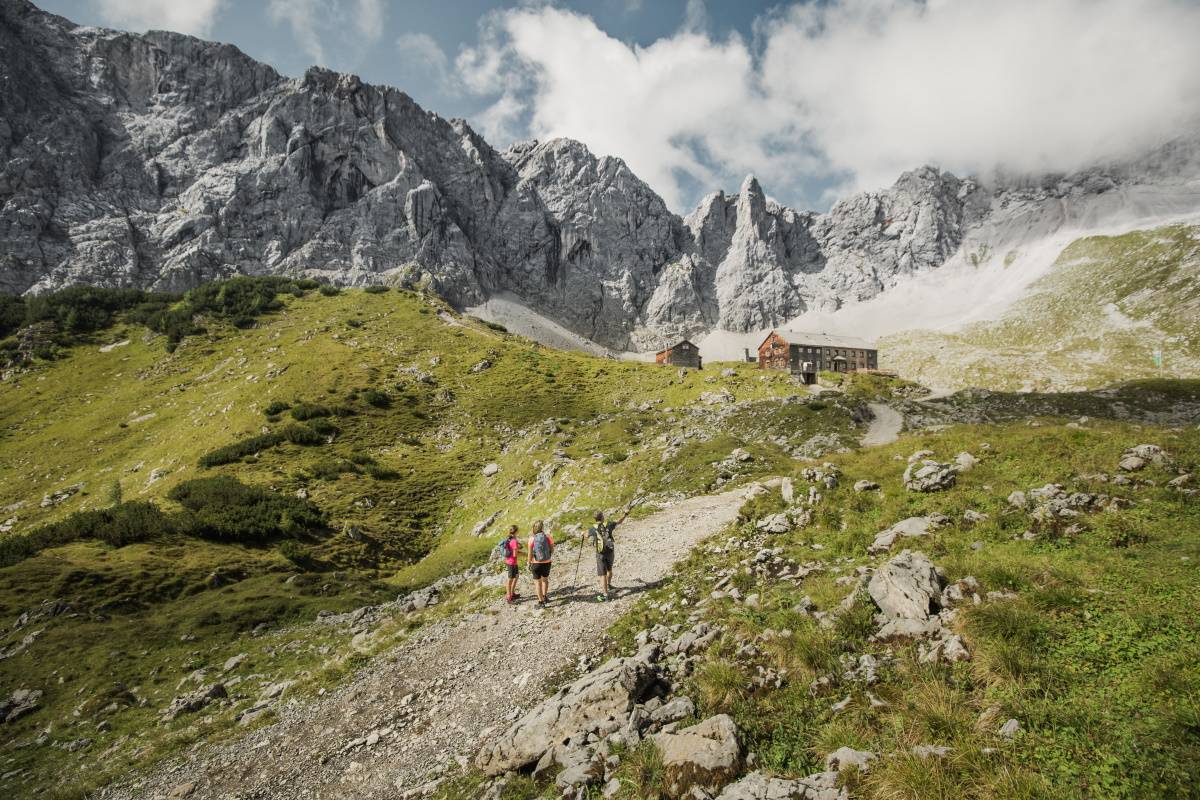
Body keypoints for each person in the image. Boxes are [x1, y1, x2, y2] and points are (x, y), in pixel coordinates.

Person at [587, 505, 630, 602]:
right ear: (602, 517)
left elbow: (586, 535)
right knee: (609, 569)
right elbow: (619, 521)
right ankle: (609, 585)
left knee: (602, 575)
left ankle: (605, 596)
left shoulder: (592, 528)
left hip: (600, 553)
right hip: (610, 550)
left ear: (595, 519)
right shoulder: (609, 524)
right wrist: (625, 514)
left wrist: (583, 533)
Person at [527, 520, 555, 606]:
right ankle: (545, 596)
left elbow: (530, 553)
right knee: (545, 580)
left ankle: (541, 602)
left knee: (537, 583)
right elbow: (552, 549)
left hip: (536, 563)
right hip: (547, 562)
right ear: (542, 528)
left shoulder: (532, 539)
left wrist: (529, 563)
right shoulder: (548, 537)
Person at [498, 525, 522, 604]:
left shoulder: (509, 538)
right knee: (510, 579)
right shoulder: (514, 541)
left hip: (510, 561)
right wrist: (523, 553)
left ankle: (512, 593)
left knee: (516, 576)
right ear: (516, 531)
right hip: (512, 562)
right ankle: (509, 597)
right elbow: (515, 554)